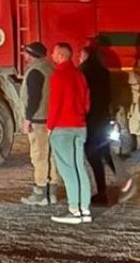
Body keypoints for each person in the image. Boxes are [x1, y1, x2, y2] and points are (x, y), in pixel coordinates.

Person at [47, 42, 92, 224]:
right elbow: (86, 104)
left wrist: (50, 126)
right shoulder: (80, 75)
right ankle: (85, 209)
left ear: (61, 56)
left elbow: (55, 104)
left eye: (54, 53)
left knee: (67, 169)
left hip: (62, 128)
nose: (51, 56)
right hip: (80, 126)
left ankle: (73, 210)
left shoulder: (58, 76)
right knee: (80, 167)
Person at [19, 42, 60, 206]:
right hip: (50, 120)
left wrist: (27, 119)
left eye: (25, 53)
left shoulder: (35, 71)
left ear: (31, 54)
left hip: (38, 121)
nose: (24, 56)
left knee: (39, 156)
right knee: (51, 157)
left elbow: (34, 98)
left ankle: (40, 193)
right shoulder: (50, 68)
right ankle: (52, 193)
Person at [80, 44, 116, 205]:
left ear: (86, 56)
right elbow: (109, 97)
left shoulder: (82, 72)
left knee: (93, 156)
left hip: (89, 119)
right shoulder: (104, 72)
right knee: (105, 152)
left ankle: (101, 193)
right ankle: (121, 181)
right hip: (103, 118)